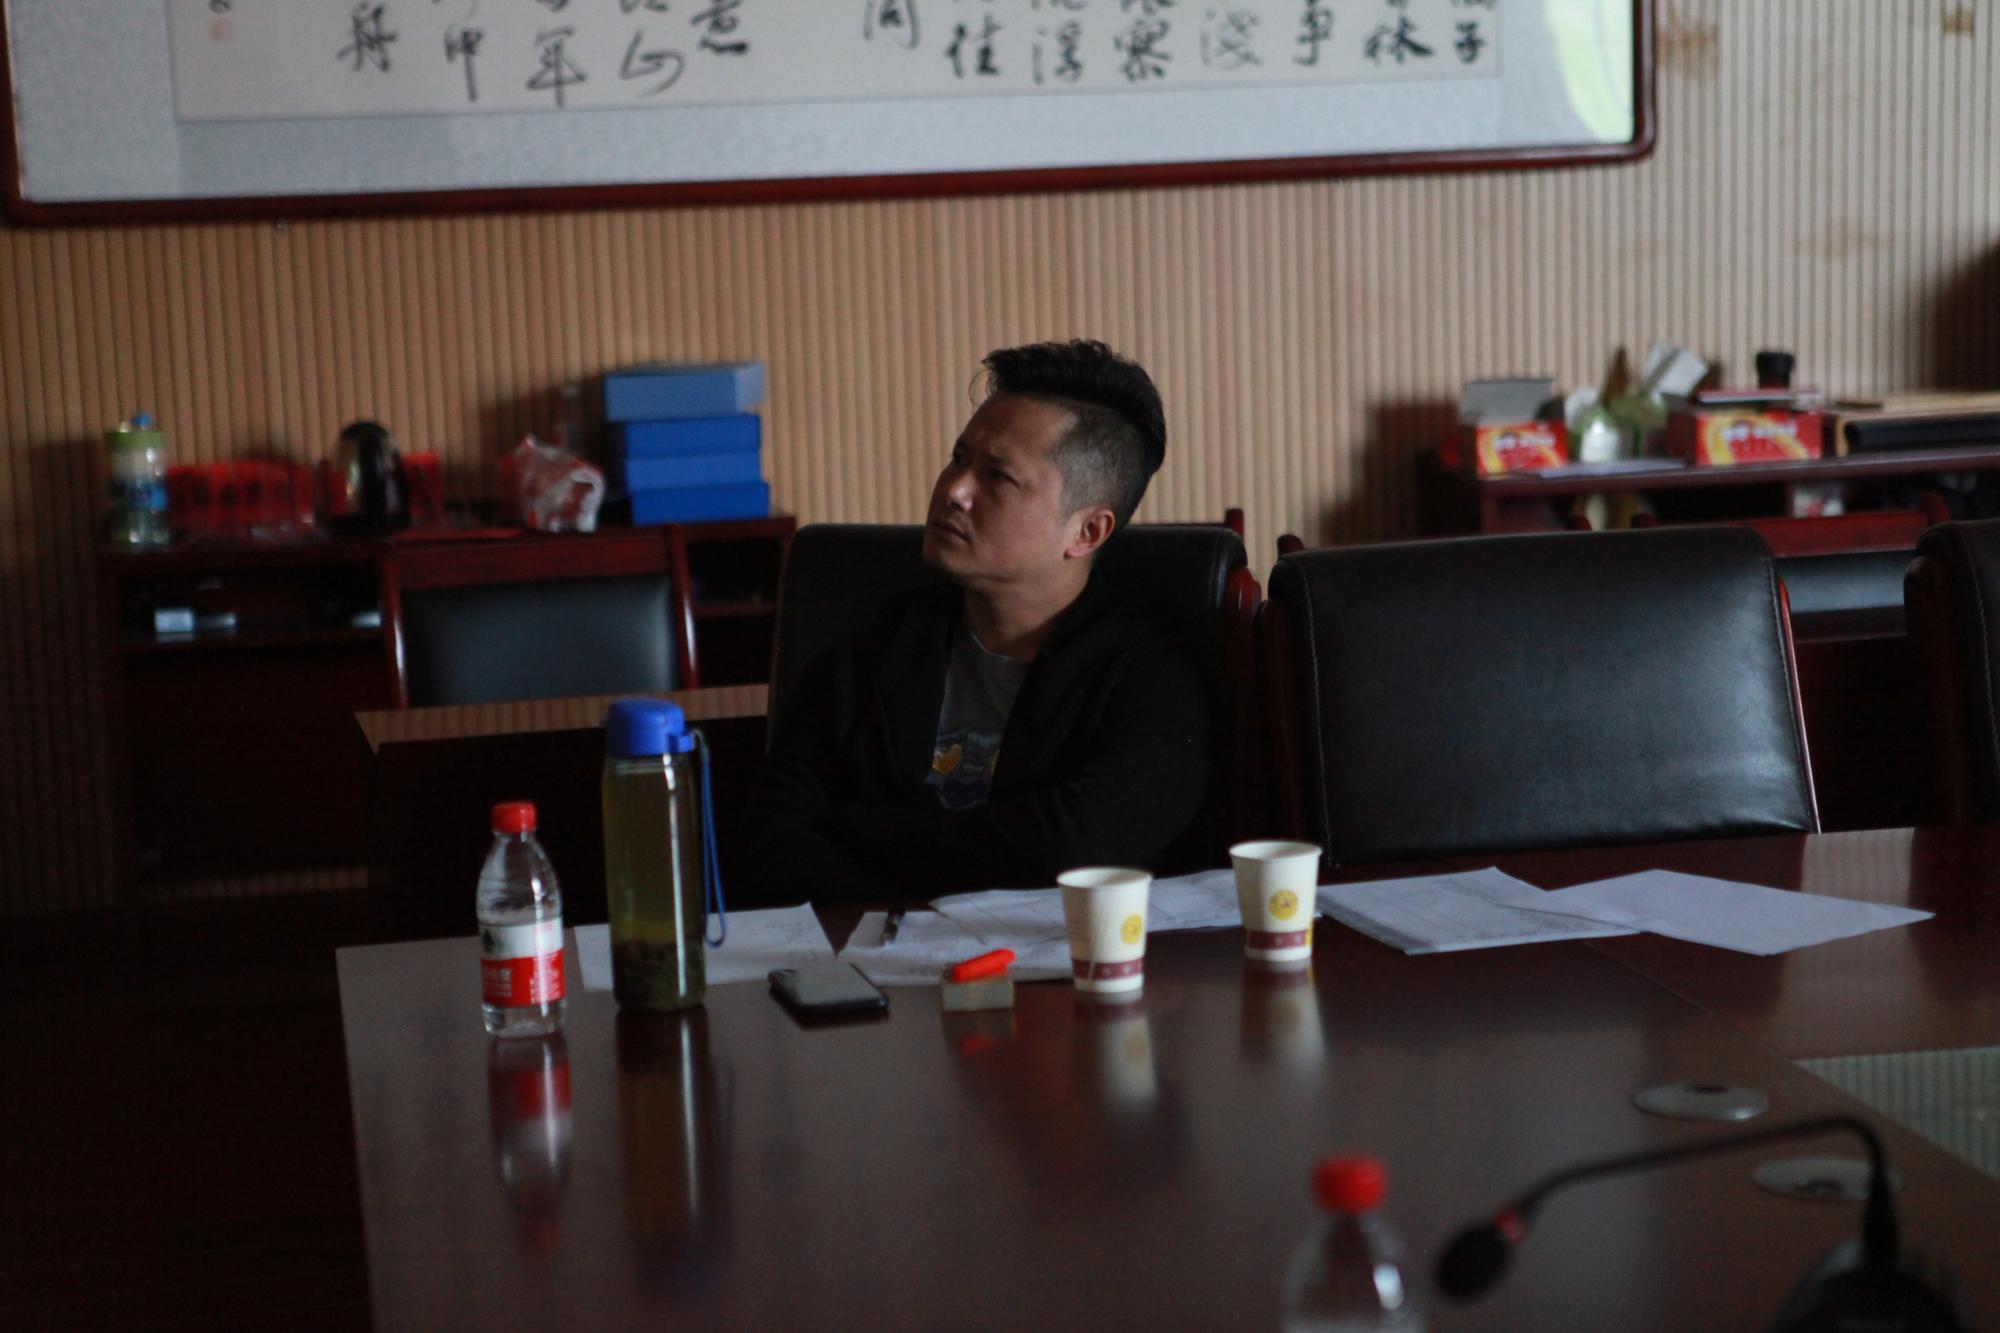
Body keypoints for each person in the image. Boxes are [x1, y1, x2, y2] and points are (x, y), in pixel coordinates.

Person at [739, 339, 1210, 902]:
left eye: (997, 477)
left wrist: (862, 830)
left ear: (1087, 532)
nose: (954, 491)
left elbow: (1069, 852)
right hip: (871, 953)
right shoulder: (873, 651)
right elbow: (768, 847)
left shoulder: (1151, 681)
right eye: (959, 459)